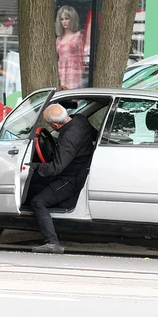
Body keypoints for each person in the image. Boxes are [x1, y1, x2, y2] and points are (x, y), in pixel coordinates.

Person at [27, 104, 96, 254]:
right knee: (34, 184)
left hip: (70, 179)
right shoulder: (80, 119)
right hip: (78, 169)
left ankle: (52, 242)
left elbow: (55, 168)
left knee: (38, 202)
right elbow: (94, 134)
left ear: (55, 125)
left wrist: (32, 166)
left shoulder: (68, 140)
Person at [55, 5, 86, 90]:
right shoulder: (58, 39)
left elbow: (83, 56)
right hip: (61, 72)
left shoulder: (78, 36)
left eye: (67, 18)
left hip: (74, 73)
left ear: (72, 19)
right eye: (62, 19)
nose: (64, 21)